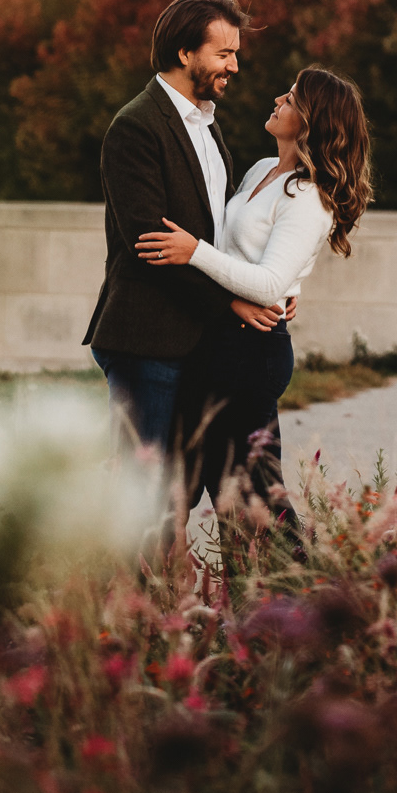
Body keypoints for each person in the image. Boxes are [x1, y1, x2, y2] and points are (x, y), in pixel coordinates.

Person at [138, 65, 372, 546]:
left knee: (255, 496)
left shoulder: (308, 196)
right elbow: (246, 256)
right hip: (219, 340)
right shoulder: (262, 170)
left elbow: (267, 284)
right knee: (216, 486)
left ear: (312, 121)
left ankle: (301, 582)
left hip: (251, 352)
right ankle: (238, 585)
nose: (278, 100)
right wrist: (276, 288)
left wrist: (195, 252)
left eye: (291, 98)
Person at [82, 0, 275, 455]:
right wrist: (231, 302)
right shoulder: (136, 126)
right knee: (142, 486)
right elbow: (150, 245)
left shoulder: (208, 126)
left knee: (181, 488)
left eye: (235, 54)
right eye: (223, 54)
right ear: (185, 53)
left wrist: (273, 284)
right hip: (147, 339)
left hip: (199, 338)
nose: (234, 66)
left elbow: (220, 232)